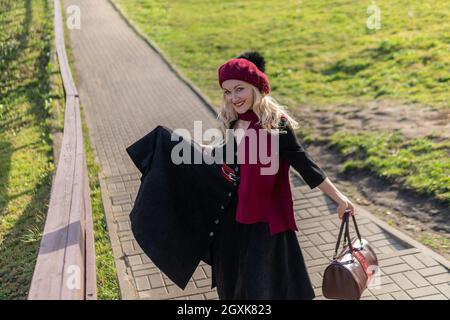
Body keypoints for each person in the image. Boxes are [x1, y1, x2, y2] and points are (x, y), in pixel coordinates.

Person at [126, 51, 355, 300]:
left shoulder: (275, 124)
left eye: (239, 89)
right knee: (232, 286)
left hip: (265, 223)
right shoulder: (234, 122)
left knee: (263, 287)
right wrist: (181, 145)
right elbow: (223, 156)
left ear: (255, 88)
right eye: (227, 91)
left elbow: (305, 165)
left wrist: (339, 198)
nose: (233, 97)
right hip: (230, 220)